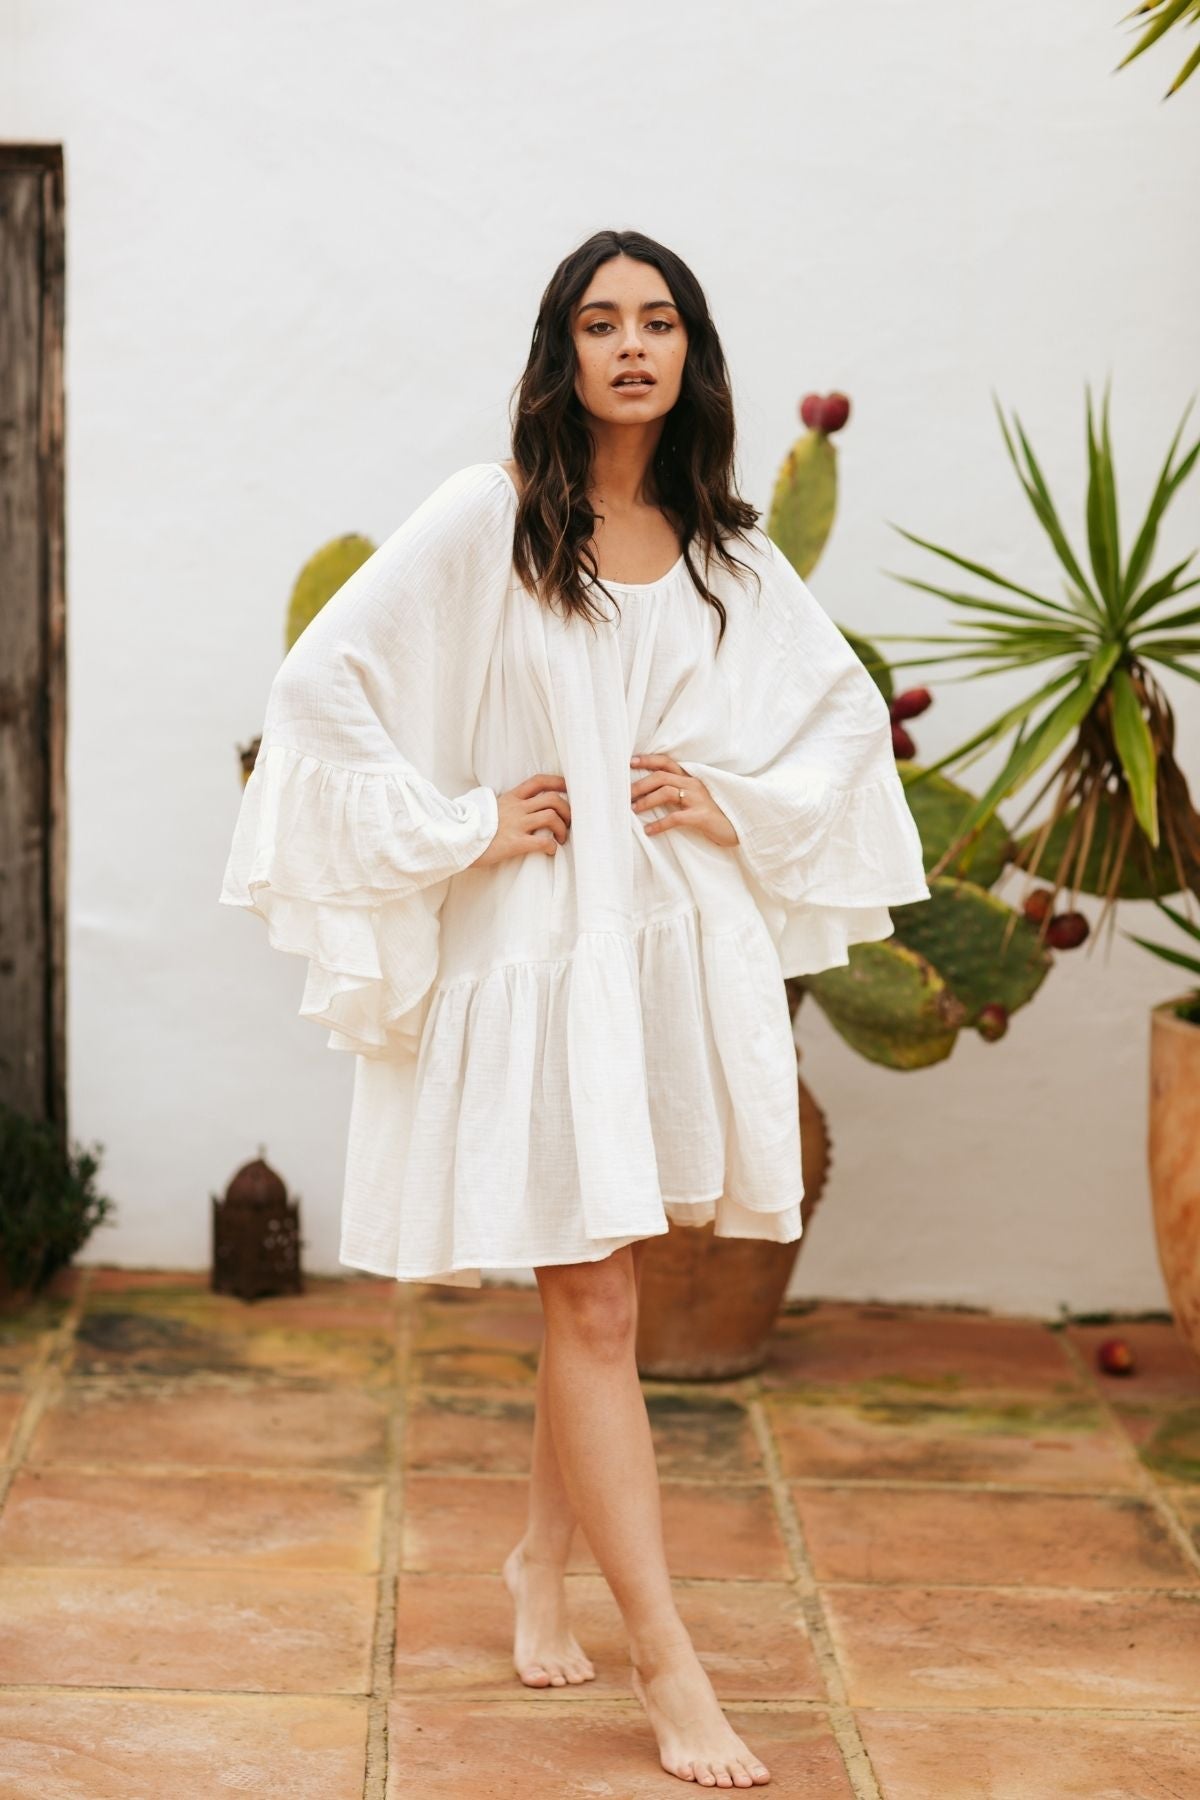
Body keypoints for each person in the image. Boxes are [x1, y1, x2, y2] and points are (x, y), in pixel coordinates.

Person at [219, 227, 931, 1789]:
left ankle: (541, 1564)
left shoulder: (731, 553)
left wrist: (730, 800)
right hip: (542, 952)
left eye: (657, 320)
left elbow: (838, 724)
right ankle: (671, 1668)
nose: (631, 345)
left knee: (591, 1283)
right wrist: (465, 827)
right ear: (561, 352)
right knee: (596, 1300)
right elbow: (320, 690)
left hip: (670, 953)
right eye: (600, 321)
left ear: (690, 353)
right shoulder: (493, 518)